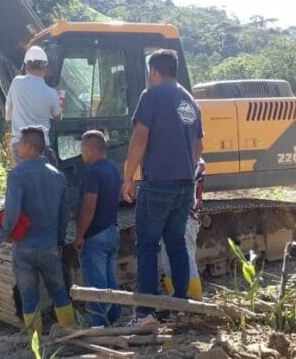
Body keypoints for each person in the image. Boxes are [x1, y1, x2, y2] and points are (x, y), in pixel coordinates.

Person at [122, 49, 204, 325]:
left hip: (158, 184)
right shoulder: (190, 101)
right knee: (176, 243)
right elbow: (199, 146)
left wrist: (128, 177)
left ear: (155, 72)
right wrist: (184, 169)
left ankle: (145, 312)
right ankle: (179, 304)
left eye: (149, 73)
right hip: (184, 184)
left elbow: (140, 137)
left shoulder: (152, 96)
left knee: (146, 246)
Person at [0, 126, 76, 334]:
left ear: (30, 146)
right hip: (49, 245)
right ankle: (70, 332)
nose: (17, 146)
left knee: (29, 295)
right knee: (59, 291)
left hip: (24, 247)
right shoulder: (58, 176)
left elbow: (12, 212)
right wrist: (59, 241)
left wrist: (3, 233)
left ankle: (35, 342)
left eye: (20, 142)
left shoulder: (17, 174)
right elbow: (63, 214)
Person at [72, 130, 122, 326]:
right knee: (111, 281)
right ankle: (114, 317)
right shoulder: (113, 168)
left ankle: (99, 325)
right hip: (112, 229)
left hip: (95, 234)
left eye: (82, 148)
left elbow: (89, 207)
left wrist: (80, 235)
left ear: (92, 149)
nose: (81, 153)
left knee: (96, 284)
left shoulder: (93, 172)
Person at [5, 46, 62, 166]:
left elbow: (8, 110)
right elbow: (58, 117)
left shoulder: (16, 83)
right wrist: (58, 97)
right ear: (45, 68)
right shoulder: (51, 93)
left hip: (20, 143)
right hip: (41, 145)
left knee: (24, 180)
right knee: (42, 181)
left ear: (26, 66)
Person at [160, 159, 205, 299]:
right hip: (173, 219)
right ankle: (177, 303)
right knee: (168, 265)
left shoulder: (194, 163)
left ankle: (195, 304)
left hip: (186, 219)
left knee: (187, 264)